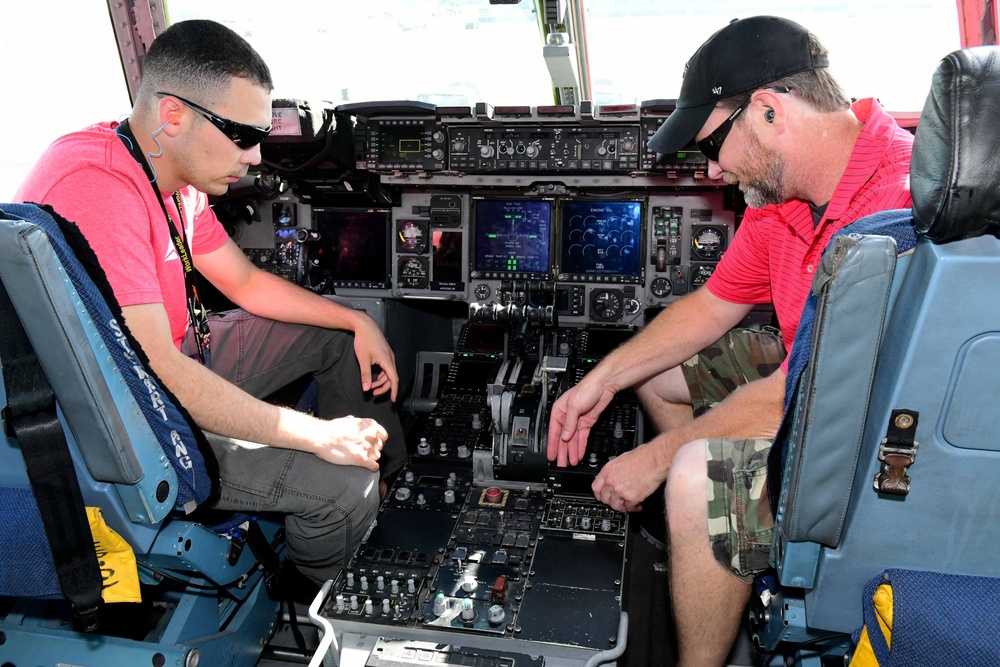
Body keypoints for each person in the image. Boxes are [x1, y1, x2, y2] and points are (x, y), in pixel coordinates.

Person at [546, 16, 913, 666]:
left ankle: (708, 637)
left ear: (770, 111)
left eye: (713, 143)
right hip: (804, 373)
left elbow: (809, 394)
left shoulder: (895, 211)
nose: (713, 170)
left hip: (865, 431)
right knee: (663, 376)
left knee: (694, 474)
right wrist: (600, 379)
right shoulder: (780, 199)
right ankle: (725, 556)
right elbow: (713, 307)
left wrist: (658, 458)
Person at [15, 19, 406, 587]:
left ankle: (388, 487)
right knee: (345, 490)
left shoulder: (170, 172)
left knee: (340, 339)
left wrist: (355, 320)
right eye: (243, 135)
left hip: (167, 364)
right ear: (172, 115)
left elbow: (245, 282)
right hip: (126, 423)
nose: (255, 157)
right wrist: (318, 435)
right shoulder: (96, 186)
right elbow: (156, 373)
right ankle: (311, 589)